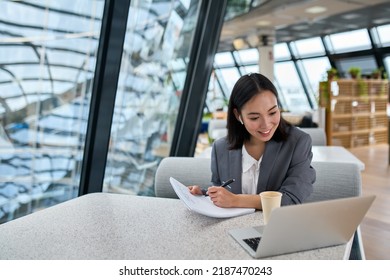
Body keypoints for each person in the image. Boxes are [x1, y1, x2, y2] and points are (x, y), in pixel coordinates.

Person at [189, 73, 315, 209]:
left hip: (276, 227)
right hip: (232, 228)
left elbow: (291, 199)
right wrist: (205, 194)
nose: (266, 124)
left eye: (272, 112)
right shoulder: (221, 148)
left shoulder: (299, 142)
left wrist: (236, 200)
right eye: (255, 118)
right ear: (238, 116)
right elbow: (223, 191)